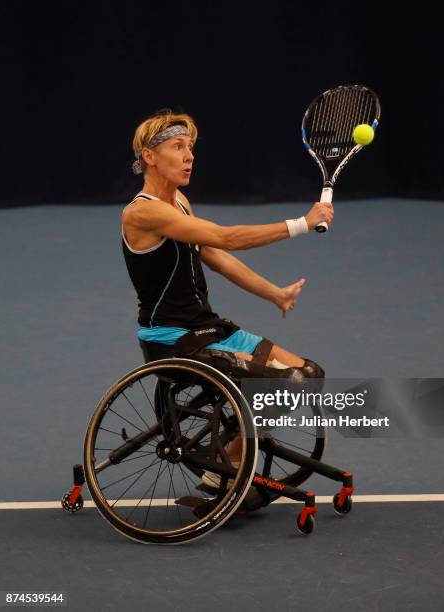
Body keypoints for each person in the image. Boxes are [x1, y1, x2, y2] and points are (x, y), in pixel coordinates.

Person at [122, 109, 333, 473]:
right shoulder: (142, 214)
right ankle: (221, 472)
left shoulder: (179, 203)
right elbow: (226, 237)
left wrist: (274, 293)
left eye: (191, 147)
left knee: (308, 374)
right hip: (173, 340)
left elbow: (216, 256)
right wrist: (302, 223)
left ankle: (230, 459)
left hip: (208, 329)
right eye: (178, 146)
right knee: (283, 381)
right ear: (150, 157)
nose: (189, 156)